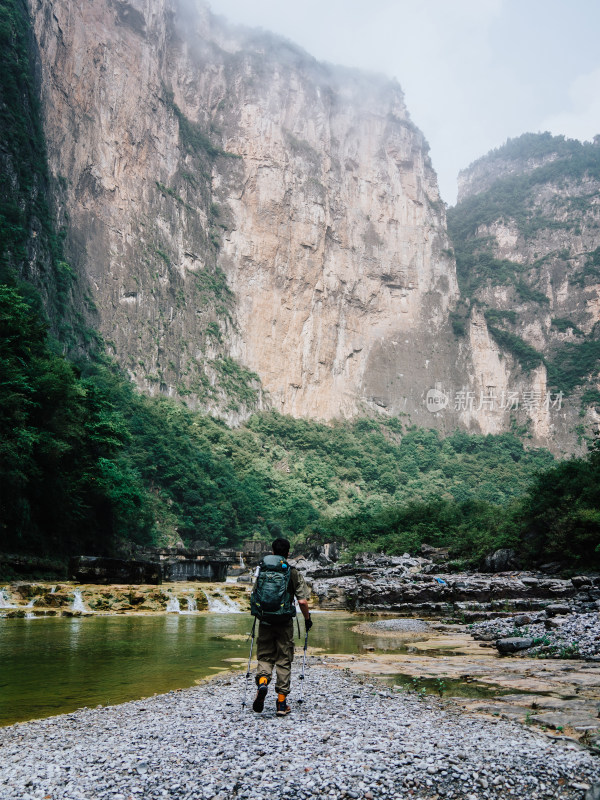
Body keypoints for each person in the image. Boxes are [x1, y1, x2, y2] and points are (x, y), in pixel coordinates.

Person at [251, 537, 312, 716]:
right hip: (284, 622)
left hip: (265, 621)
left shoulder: (262, 571)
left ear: (272, 552)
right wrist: (307, 619)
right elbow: (302, 601)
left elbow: (255, 594)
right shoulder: (292, 572)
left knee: (264, 656)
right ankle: (281, 703)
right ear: (287, 553)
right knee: (284, 660)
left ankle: (263, 682)